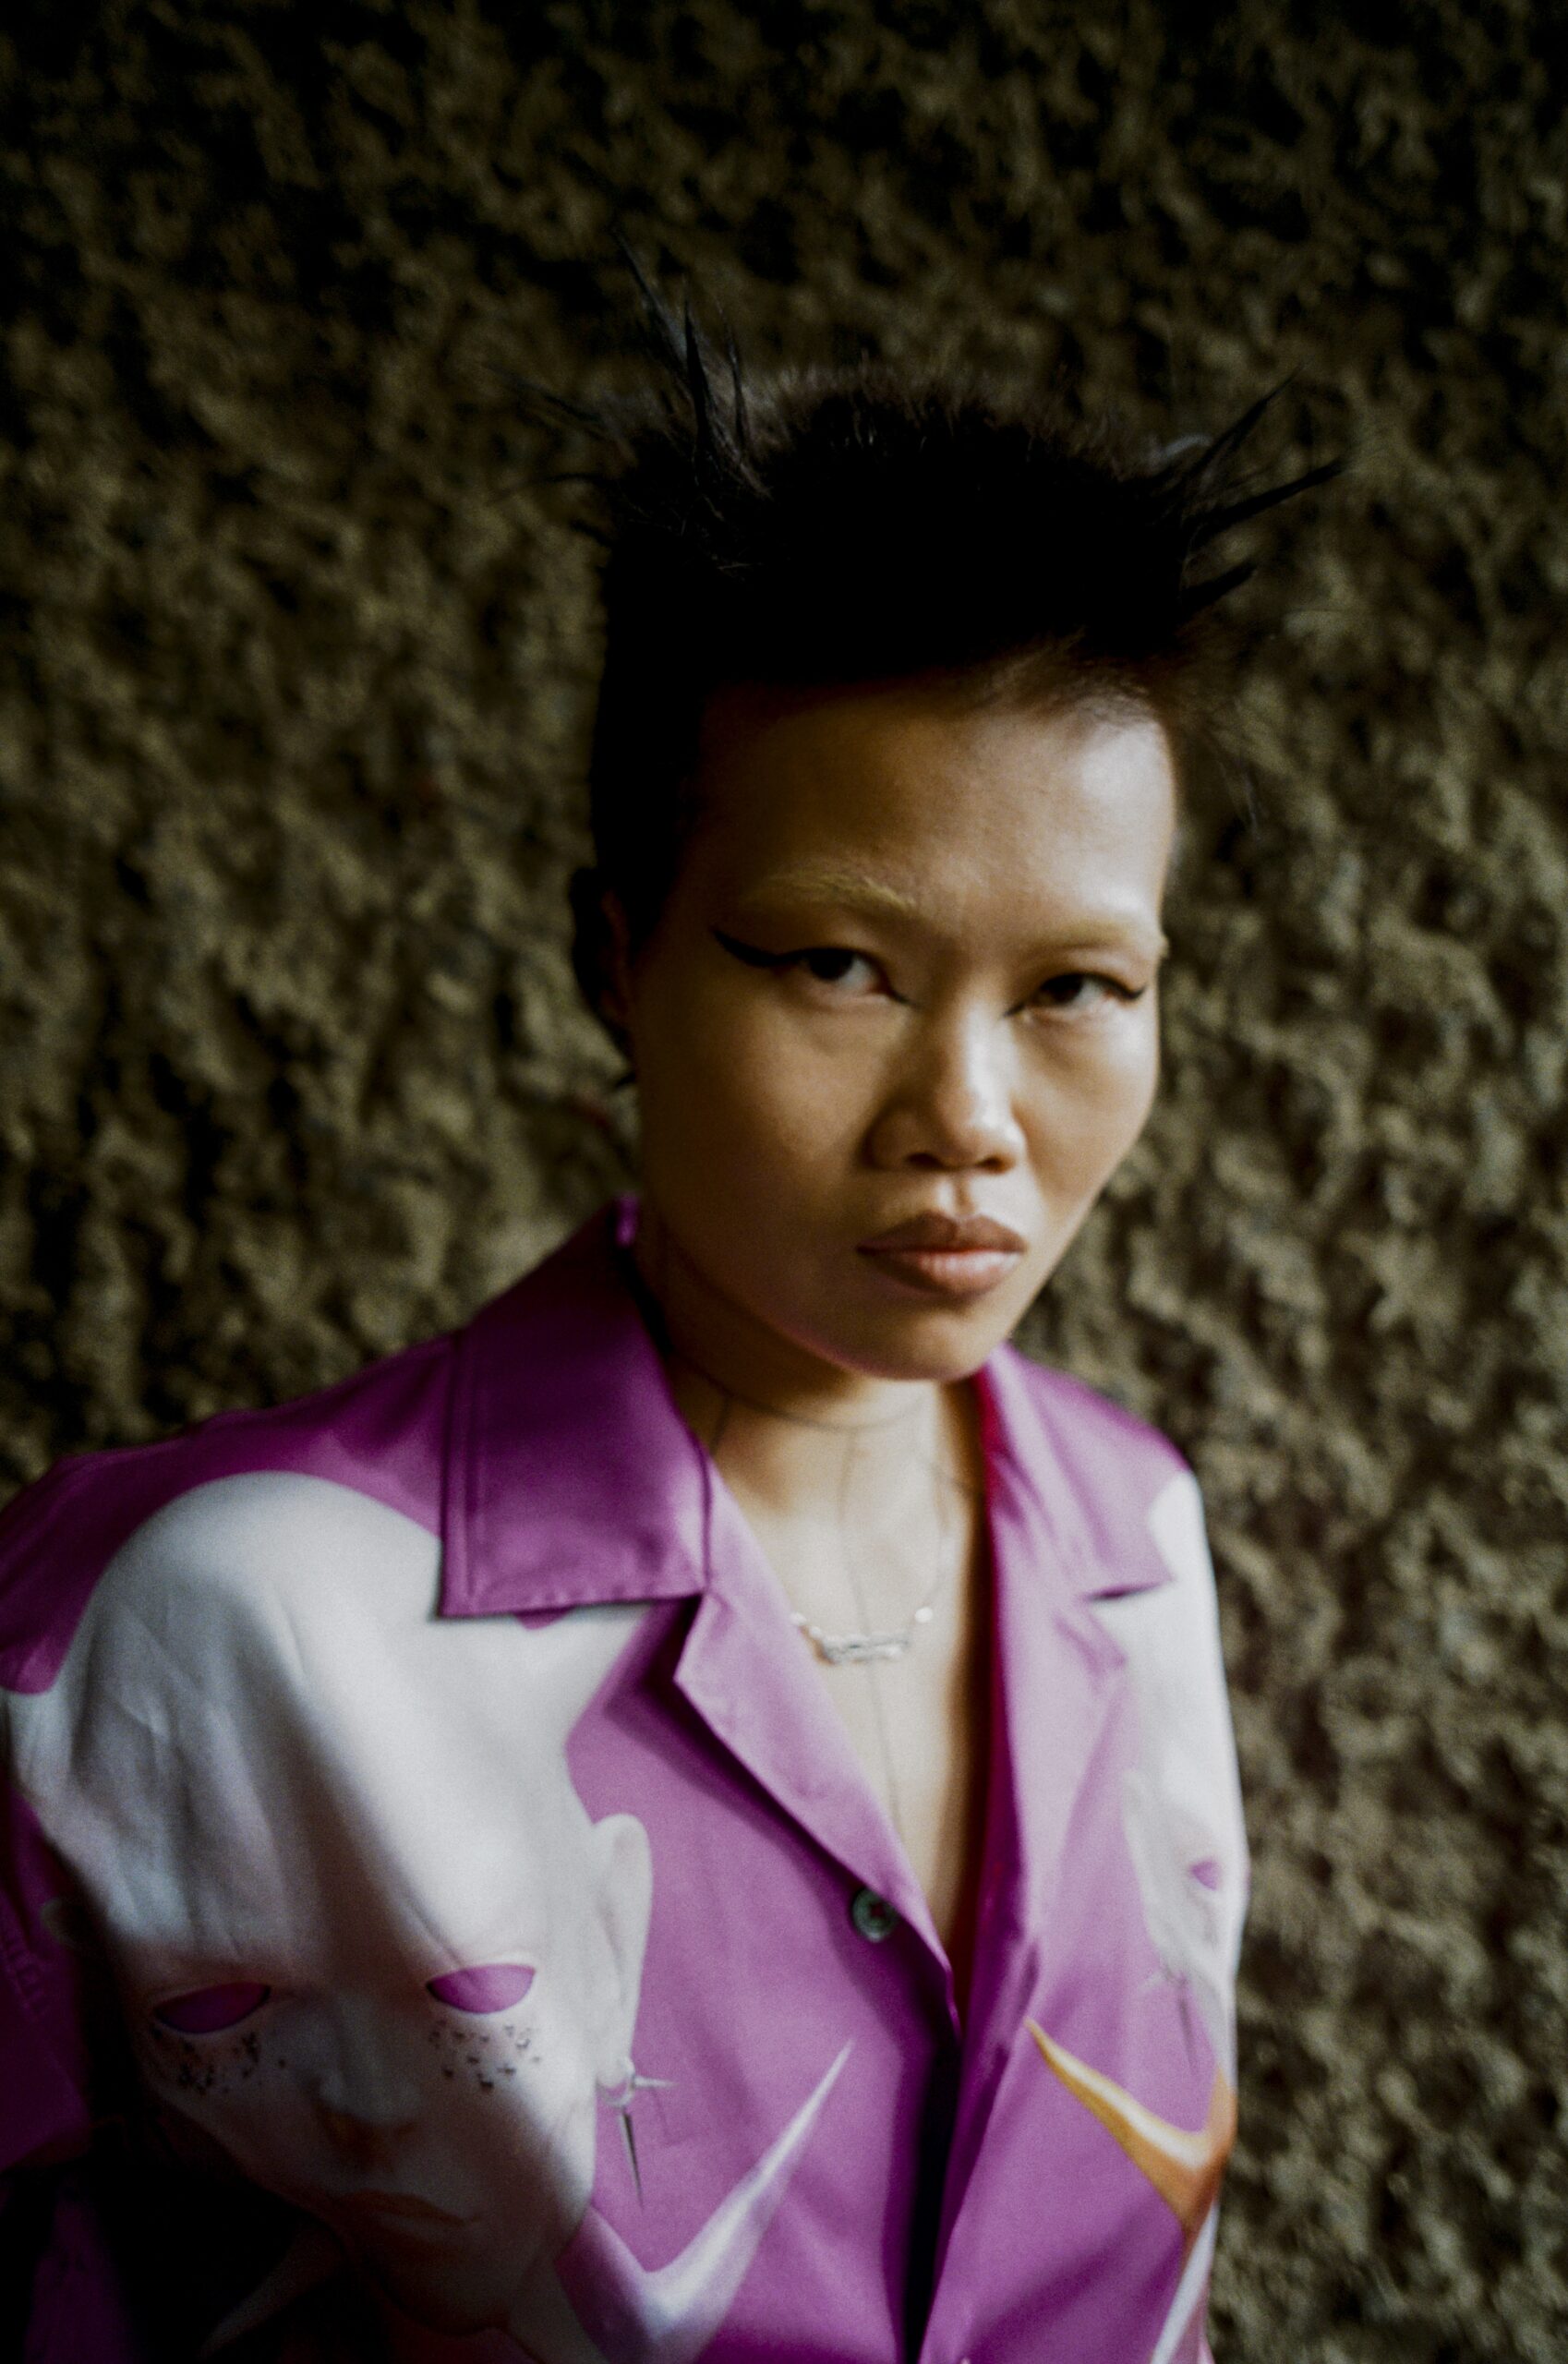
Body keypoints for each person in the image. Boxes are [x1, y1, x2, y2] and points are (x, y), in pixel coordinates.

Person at [0, 303, 1329, 2363]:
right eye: (837, 964)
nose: (968, 1117)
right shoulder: (200, 1626)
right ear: (613, 955)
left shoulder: (1140, 1536)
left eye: (1077, 987)